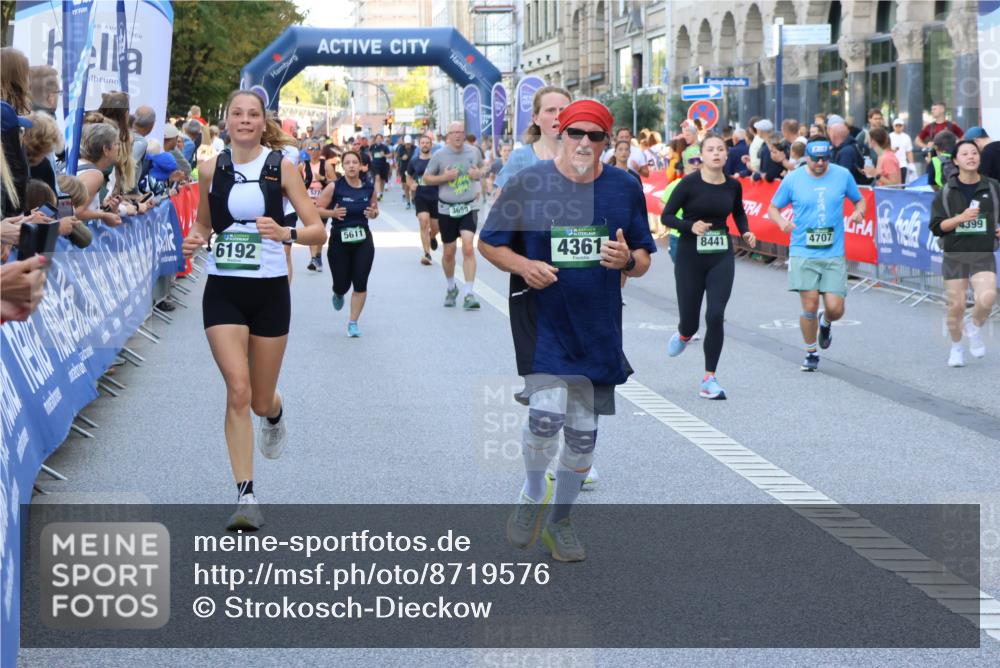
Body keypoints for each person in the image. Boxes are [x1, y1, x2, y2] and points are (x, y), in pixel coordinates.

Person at [478, 99, 654, 562]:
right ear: (559, 130)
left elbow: (643, 256)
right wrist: (525, 265)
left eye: (594, 136)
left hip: (596, 325)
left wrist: (628, 262)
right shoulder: (528, 183)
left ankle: (561, 521)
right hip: (543, 321)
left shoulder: (623, 186)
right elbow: (490, 243)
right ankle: (534, 492)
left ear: (607, 141)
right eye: (575, 133)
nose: (583, 143)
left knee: (581, 435)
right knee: (545, 418)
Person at [180, 89, 327, 531]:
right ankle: (247, 496)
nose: (245, 121)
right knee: (238, 390)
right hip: (224, 290)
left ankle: (276, 413)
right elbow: (206, 224)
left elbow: (317, 231)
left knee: (261, 400)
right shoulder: (210, 168)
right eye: (237, 114)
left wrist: (286, 234)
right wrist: (195, 238)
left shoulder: (281, 167)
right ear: (226, 121)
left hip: (269, 292)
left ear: (264, 122)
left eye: (253, 114)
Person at [663, 135, 756, 399]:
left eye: (720, 150)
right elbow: (667, 215)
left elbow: (738, 212)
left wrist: (746, 231)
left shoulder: (733, 186)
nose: (716, 153)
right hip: (690, 255)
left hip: (720, 254)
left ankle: (709, 378)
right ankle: (683, 334)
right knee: (690, 323)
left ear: (726, 155)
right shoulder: (688, 184)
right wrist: (689, 226)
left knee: (715, 314)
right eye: (710, 150)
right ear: (701, 155)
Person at [767, 138, 866, 372]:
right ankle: (811, 352)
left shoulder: (842, 175)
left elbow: (859, 200)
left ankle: (827, 321)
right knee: (809, 304)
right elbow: (773, 208)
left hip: (833, 252)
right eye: (815, 159)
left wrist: (859, 213)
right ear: (807, 158)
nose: (820, 163)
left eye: (825, 159)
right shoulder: (793, 179)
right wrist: (781, 222)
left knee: (836, 308)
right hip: (803, 250)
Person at [929, 140, 999, 367]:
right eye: (965, 154)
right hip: (955, 253)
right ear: (956, 161)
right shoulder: (947, 191)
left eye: (974, 153)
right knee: (956, 306)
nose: (971, 157)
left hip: (982, 253)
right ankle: (957, 347)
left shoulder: (993, 187)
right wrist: (960, 218)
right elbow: (937, 226)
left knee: (987, 298)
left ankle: (974, 327)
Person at [421, 120, 484, 309]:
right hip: (447, 208)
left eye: (461, 132)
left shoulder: (473, 151)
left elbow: (482, 169)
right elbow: (426, 178)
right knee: (449, 253)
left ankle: (469, 292)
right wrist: (444, 178)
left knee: (468, 247)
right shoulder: (440, 155)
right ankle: (451, 287)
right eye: (454, 132)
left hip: (468, 207)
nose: (457, 135)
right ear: (447, 135)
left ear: (464, 134)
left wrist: (477, 175)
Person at [315, 151, 378, 337]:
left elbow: (375, 210)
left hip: (363, 240)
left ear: (360, 166)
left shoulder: (369, 188)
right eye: (347, 163)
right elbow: (316, 209)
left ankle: (353, 322)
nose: (351, 166)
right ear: (343, 166)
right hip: (339, 242)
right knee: (342, 284)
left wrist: (373, 214)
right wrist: (332, 214)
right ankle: (338, 292)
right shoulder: (335, 187)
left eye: (354, 162)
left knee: (360, 283)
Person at [494, 86, 571, 194]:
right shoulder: (520, 157)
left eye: (563, 110)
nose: (558, 116)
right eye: (550, 110)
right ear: (536, 119)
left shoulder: (580, 155)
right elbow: (499, 204)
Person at [407, 134, 441, 266]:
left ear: (431, 145)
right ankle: (426, 253)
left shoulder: (436, 160)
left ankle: (432, 236)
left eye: (427, 143)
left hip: (435, 196)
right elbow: (408, 176)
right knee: (423, 222)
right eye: (423, 143)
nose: (425, 145)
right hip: (421, 195)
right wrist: (411, 185)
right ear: (419, 145)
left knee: (435, 227)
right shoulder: (414, 161)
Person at [300, 139, 329, 272]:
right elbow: (294, 182)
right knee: (311, 230)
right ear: (306, 150)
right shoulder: (302, 166)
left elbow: (334, 182)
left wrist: (323, 179)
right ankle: (313, 259)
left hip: (322, 203)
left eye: (314, 148)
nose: (312, 151)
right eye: (309, 148)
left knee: (320, 230)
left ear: (319, 150)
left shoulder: (326, 165)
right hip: (308, 202)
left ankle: (318, 256)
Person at [890, 118, 916, 183]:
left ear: (903, 126)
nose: (898, 127)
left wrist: (911, 163)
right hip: (891, 163)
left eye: (900, 125)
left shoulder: (906, 137)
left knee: (902, 181)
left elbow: (909, 151)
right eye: (896, 125)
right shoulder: (889, 136)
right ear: (893, 126)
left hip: (902, 163)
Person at [369, 133, 391, 200]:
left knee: (382, 180)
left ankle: (381, 193)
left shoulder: (384, 147)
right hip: (375, 165)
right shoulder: (372, 146)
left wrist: (384, 155)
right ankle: (378, 194)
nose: (378, 140)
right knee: (377, 178)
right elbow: (369, 152)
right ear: (375, 139)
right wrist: (371, 158)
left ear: (382, 139)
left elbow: (390, 155)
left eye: (380, 138)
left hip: (383, 165)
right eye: (377, 138)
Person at [395, 135, 415, 209]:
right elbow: (397, 157)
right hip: (404, 169)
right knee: (406, 187)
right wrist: (401, 158)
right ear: (404, 143)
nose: (408, 145)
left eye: (409, 144)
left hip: (413, 169)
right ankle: (408, 202)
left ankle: (413, 199)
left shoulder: (415, 148)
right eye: (406, 144)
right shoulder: (401, 148)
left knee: (413, 186)